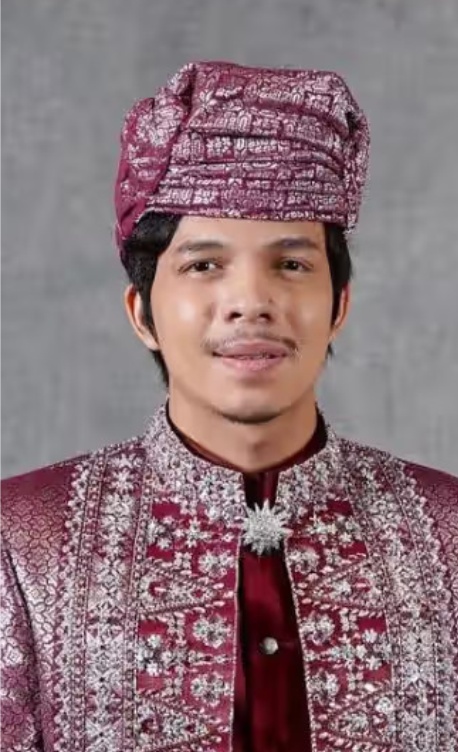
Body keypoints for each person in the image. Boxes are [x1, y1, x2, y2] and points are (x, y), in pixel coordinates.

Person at [1, 60, 457, 752]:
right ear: (142, 312)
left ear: (339, 305)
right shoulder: (20, 544)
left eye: (292, 264)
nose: (250, 302)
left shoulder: (448, 536)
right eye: (204, 265)